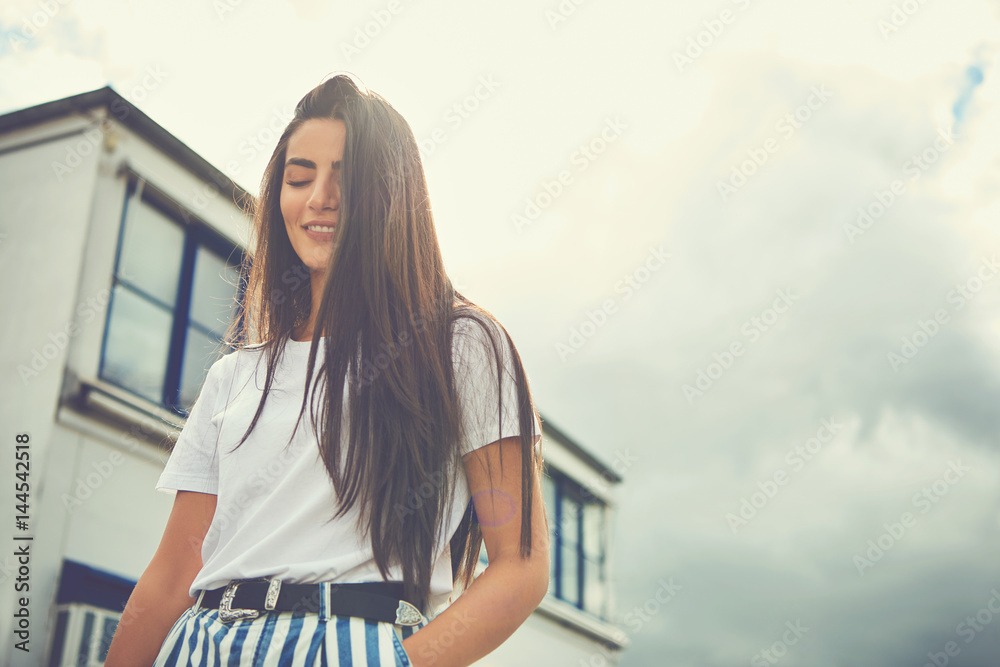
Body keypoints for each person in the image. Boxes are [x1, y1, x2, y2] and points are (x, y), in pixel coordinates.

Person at [105, 73, 549, 667]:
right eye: (299, 177)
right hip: (203, 643)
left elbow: (520, 565)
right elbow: (171, 575)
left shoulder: (462, 345)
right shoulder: (233, 377)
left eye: (347, 176)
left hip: (349, 642)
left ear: (394, 195)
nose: (319, 197)